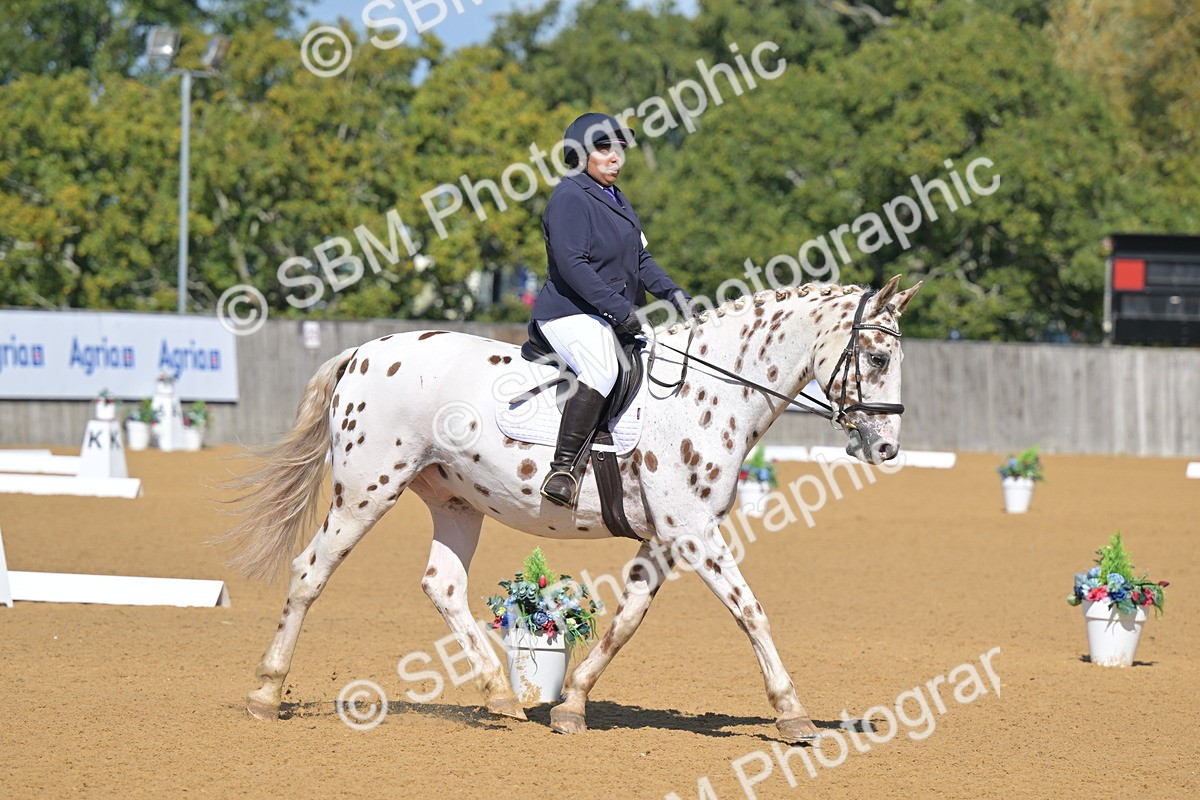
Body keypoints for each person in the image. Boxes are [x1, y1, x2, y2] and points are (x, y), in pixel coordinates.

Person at [531, 112, 692, 507]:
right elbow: (574, 265)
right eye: (604, 149)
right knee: (602, 365)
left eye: (618, 149)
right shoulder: (569, 197)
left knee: (663, 354)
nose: (615, 158)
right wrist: (620, 309)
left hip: (608, 313)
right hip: (568, 313)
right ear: (582, 154)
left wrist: (674, 294)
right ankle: (563, 469)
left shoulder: (617, 200)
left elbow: (641, 261)